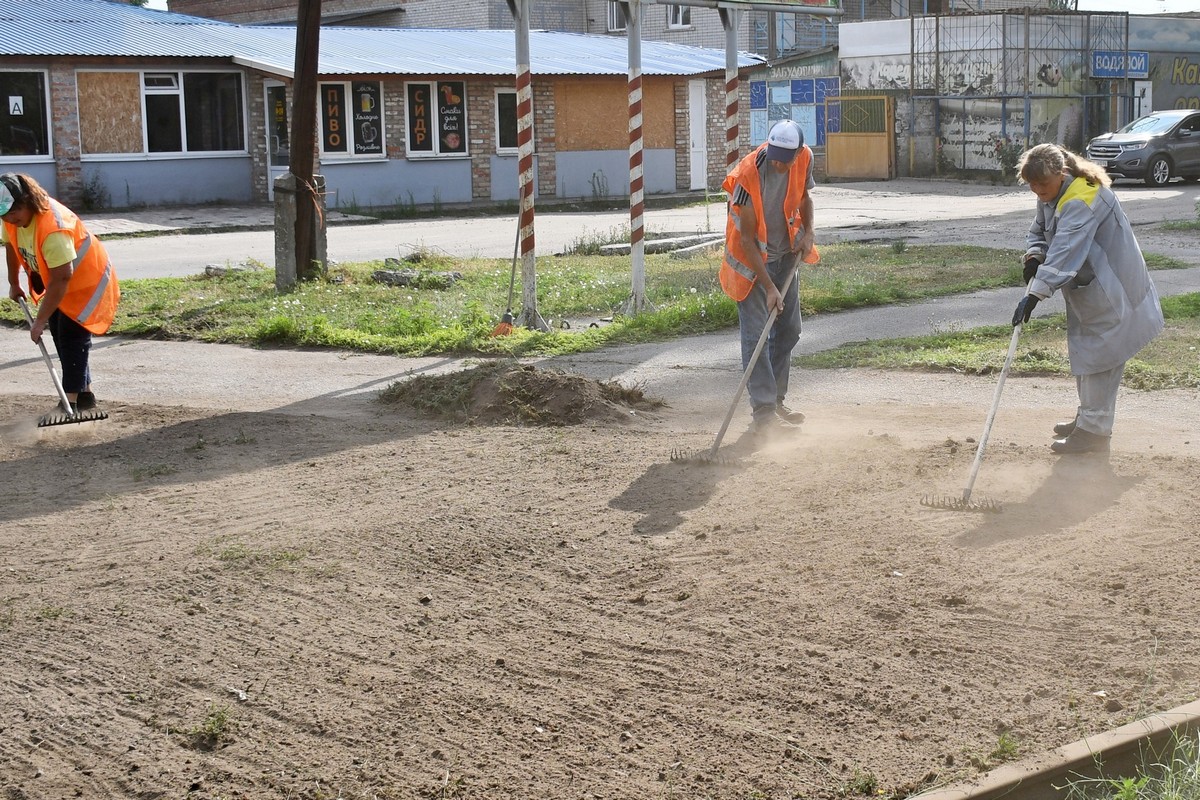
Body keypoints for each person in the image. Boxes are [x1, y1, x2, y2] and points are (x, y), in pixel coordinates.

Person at [1012, 143, 1163, 454]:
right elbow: (1039, 230)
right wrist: (1033, 257)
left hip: (1113, 290)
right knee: (1088, 354)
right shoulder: (1055, 193)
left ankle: (1094, 433)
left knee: (1101, 360)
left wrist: (1035, 294)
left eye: (1042, 185)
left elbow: (1066, 252)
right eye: (1032, 186)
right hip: (1092, 288)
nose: (1038, 192)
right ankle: (1089, 419)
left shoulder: (1082, 199)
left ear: (1061, 172)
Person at [719, 119, 818, 437]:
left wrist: (809, 233)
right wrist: (770, 288)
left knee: (789, 330)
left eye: (783, 157)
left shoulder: (804, 158)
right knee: (756, 338)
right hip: (751, 267)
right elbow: (747, 241)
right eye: (774, 154)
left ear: (798, 152)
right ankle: (763, 413)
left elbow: (804, 198)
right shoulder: (747, 177)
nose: (777, 162)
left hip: (786, 256)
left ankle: (775, 403)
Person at [1, 172, 120, 414]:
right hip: (61, 280)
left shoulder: (54, 227)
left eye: (13, 213)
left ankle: (70, 401)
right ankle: (85, 395)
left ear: (28, 201)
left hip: (87, 281)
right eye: (4, 215)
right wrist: (13, 282)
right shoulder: (10, 218)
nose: (9, 219)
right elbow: (12, 246)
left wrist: (38, 322)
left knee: (71, 335)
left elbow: (62, 277)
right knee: (59, 331)